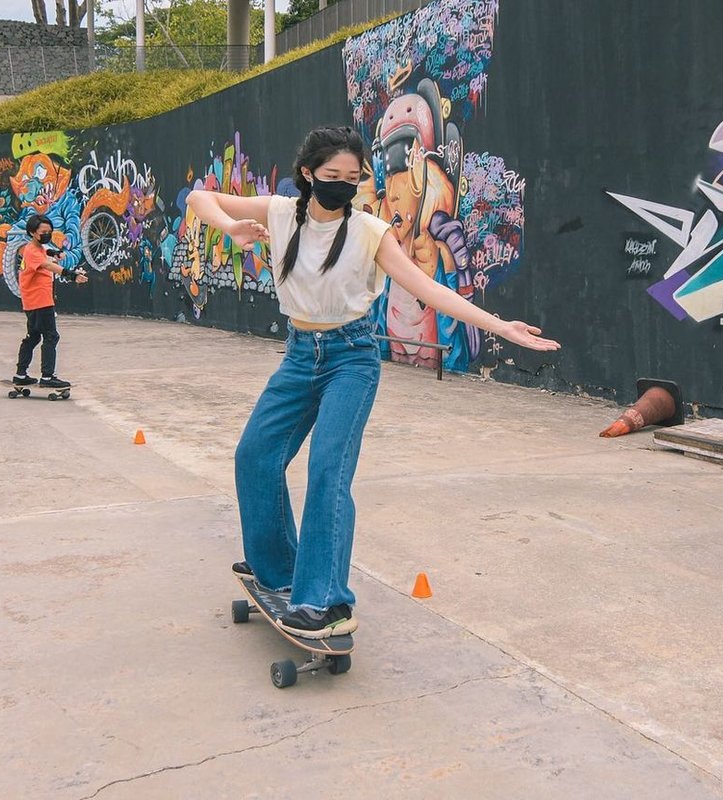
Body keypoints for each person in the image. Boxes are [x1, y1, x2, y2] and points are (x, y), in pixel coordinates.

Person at [186, 126, 560, 639]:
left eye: (352, 177)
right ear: (308, 174)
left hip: (351, 359)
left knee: (327, 470)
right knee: (255, 456)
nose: (343, 185)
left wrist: (499, 326)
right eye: (332, 175)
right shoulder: (279, 212)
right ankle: (276, 568)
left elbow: (427, 287)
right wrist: (231, 226)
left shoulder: (369, 231)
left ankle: (326, 601)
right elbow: (199, 198)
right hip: (299, 355)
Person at [12, 214, 88, 388]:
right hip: (40, 301)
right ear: (32, 232)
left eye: (49, 232)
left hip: (33, 301)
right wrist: (71, 275)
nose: (47, 235)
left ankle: (20, 374)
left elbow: (45, 252)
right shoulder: (32, 252)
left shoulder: (35, 248)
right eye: (43, 232)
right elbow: (47, 265)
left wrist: (54, 253)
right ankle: (47, 377)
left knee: (33, 337)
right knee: (51, 336)